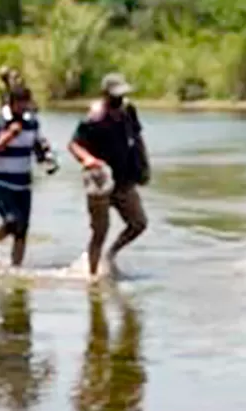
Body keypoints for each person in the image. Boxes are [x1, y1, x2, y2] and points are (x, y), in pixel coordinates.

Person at [68, 72, 151, 280]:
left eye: (121, 96)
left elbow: (138, 137)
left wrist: (143, 165)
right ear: (105, 96)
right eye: (114, 97)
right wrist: (87, 159)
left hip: (124, 178)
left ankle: (111, 254)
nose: (118, 101)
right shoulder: (93, 118)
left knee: (138, 223)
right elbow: (73, 145)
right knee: (100, 231)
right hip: (100, 179)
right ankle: (93, 276)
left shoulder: (128, 110)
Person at [0, 85, 56, 268]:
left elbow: (38, 146)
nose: (24, 109)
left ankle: (16, 269)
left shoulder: (32, 122)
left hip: (23, 182)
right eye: (20, 104)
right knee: (12, 221)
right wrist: (9, 135)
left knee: (22, 230)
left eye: (26, 104)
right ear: (11, 104)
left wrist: (47, 160)